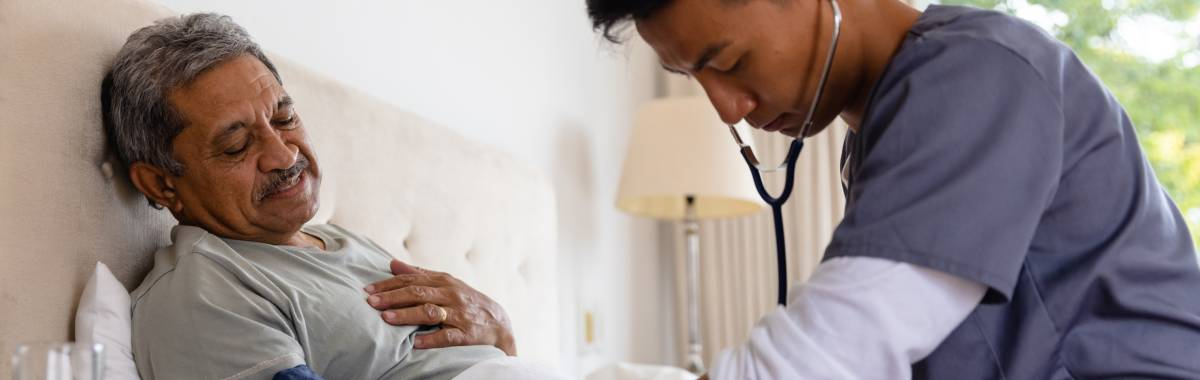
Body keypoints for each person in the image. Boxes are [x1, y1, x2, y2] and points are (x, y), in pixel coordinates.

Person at [585, 0, 1200, 378]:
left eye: (730, 63)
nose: (727, 109)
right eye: (691, 78)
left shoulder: (974, 76)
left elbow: (815, 364)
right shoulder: (885, 130)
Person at [103, 13, 515, 380]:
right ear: (161, 184)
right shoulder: (204, 294)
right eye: (236, 146)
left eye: (284, 118)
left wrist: (502, 333)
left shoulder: (343, 241)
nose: (284, 154)